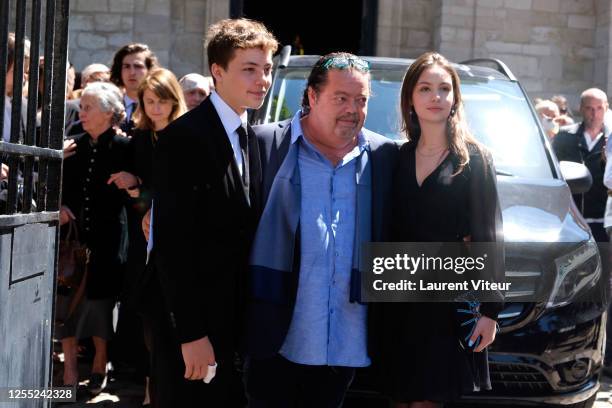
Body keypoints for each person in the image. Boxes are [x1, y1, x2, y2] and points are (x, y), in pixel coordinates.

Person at [244, 52, 399, 407]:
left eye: (361, 100)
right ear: (312, 96)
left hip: (349, 342)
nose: (352, 109)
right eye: (341, 98)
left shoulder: (384, 156)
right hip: (275, 334)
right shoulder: (264, 144)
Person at [146, 18, 278, 407]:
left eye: (267, 69)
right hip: (191, 331)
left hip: (235, 327)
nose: (263, 80)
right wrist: (191, 334)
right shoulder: (183, 139)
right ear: (217, 72)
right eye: (250, 69)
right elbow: (171, 245)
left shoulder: (253, 136)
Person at [378, 52, 504, 407]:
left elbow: (488, 236)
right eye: (426, 88)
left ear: (455, 99)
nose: (436, 97)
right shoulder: (395, 157)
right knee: (399, 398)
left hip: (447, 302)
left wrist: (490, 312)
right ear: (410, 99)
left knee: (429, 400)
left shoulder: (475, 159)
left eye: (444, 89)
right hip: (398, 300)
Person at [112, 67, 187, 406]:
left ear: (174, 101)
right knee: (145, 310)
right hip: (143, 233)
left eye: (163, 101)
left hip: (177, 231)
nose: (157, 108)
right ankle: (148, 386)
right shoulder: (140, 137)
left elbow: (184, 188)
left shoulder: (187, 134)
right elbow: (137, 186)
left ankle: (167, 385)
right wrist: (138, 191)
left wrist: (145, 194)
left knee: (171, 309)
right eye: (150, 101)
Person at [58, 81, 131, 393]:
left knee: (101, 303)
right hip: (72, 238)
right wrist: (57, 205)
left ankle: (101, 360)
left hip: (109, 238)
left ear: (108, 113)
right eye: (82, 106)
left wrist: (135, 180)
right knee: (67, 302)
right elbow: (50, 187)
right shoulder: (72, 146)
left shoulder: (126, 147)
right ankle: (71, 366)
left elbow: (139, 195)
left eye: (88, 107)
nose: (81, 113)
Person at [553, 88, 610, 243]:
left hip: (602, 220)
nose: (594, 114)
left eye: (599, 108)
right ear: (581, 108)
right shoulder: (565, 136)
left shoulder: (609, 140)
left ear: (606, 108)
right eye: (589, 108)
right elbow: (553, 172)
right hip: (570, 220)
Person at [110, 43, 159, 135]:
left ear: (149, 70)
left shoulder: (158, 107)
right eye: (127, 66)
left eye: (138, 66)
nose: (132, 72)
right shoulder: (110, 107)